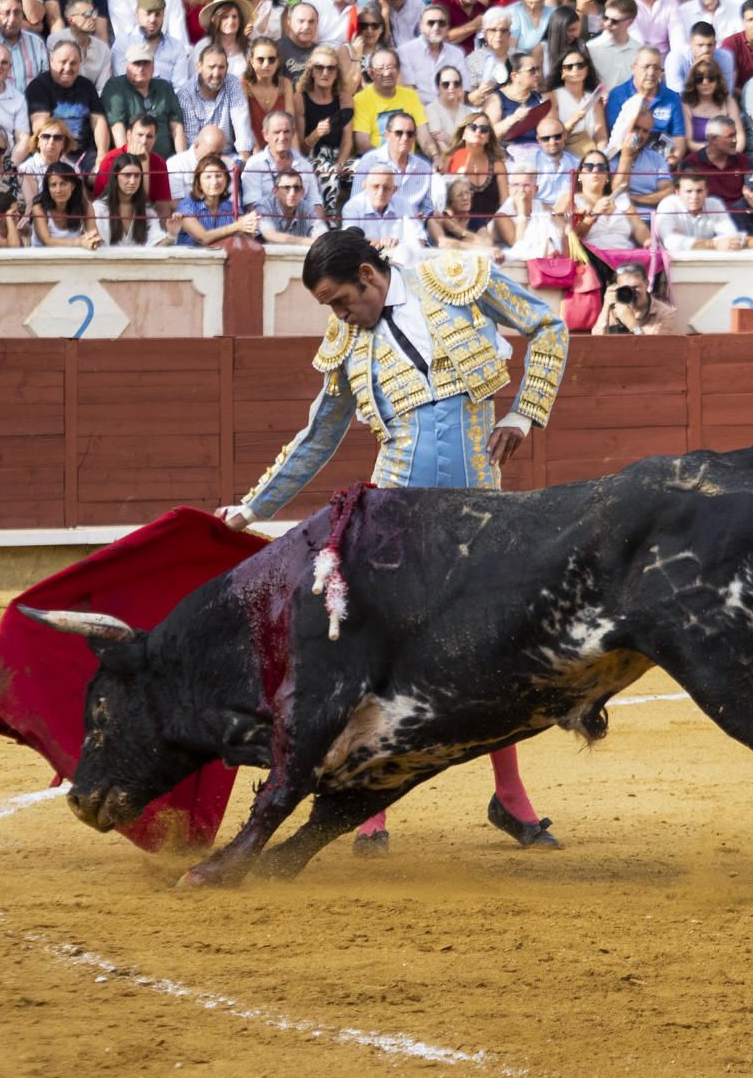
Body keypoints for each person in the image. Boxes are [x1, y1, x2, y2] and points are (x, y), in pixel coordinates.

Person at [217, 231, 570, 853]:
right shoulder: (345, 343)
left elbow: (549, 326)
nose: (338, 315)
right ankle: (369, 811)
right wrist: (252, 507)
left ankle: (510, 799)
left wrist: (524, 412)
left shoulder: (453, 280)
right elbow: (317, 437)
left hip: (478, 507)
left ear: (368, 275)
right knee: (380, 654)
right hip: (395, 511)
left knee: (492, 648)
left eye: (340, 300)